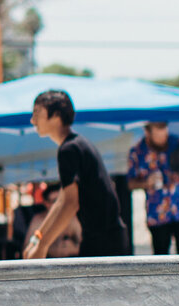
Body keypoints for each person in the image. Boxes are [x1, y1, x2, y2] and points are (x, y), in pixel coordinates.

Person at [25, 90, 129, 259]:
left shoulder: (69, 149)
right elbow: (62, 200)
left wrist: (42, 247)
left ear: (56, 116)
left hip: (104, 240)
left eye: (37, 113)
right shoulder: (76, 144)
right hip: (102, 237)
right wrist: (38, 237)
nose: (32, 120)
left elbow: (70, 204)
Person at [126, 119, 179, 255]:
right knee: (161, 260)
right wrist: (146, 183)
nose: (163, 140)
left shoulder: (177, 143)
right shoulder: (138, 152)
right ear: (147, 132)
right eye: (158, 137)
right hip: (158, 215)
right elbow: (129, 183)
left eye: (164, 135)